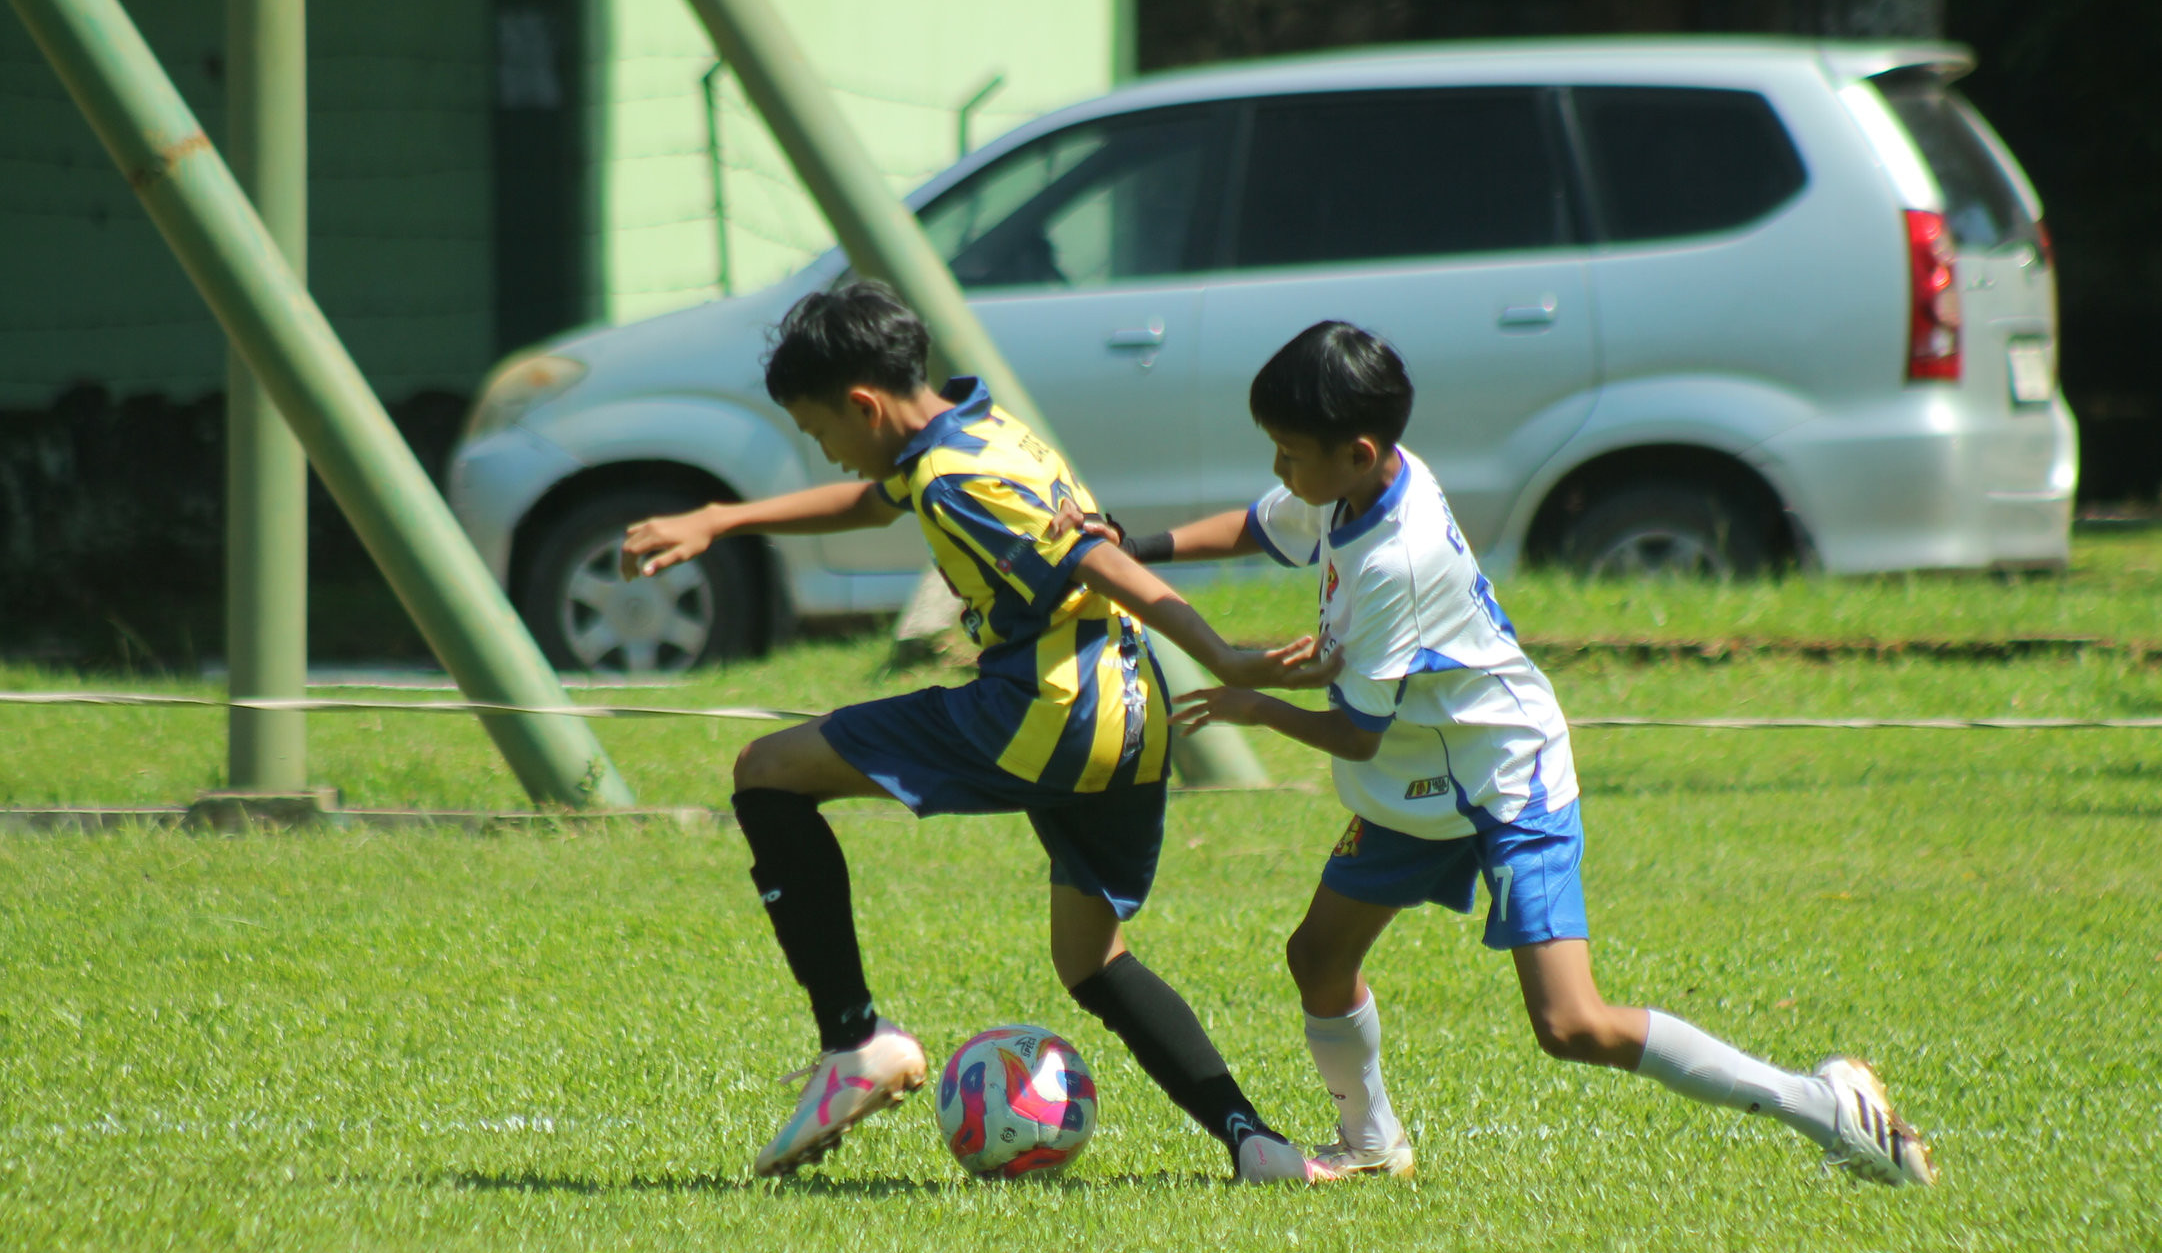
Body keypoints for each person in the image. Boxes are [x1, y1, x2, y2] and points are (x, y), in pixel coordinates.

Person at [1101, 320, 1936, 1186]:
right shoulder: (1356, 482)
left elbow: (1356, 731)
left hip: (1506, 777)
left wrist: (1257, 707)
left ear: (1356, 451)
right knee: (1318, 956)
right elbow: (1261, 526)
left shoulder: (1400, 559)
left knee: (1570, 1022)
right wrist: (1141, 547)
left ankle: (1823, 1104)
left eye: (1288, 451)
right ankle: (1373, 1144)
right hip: (1425, 778)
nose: (1278, 469)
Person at [620, 281, 1339, 1183]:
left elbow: (1095, 556)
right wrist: (723, 518)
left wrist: (1224, 655)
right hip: (1129, 715)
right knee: (1090, 960)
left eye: (821, 435)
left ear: (862, 404)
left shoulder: (954, 477)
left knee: (766, 770)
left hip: (1045, 711)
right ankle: (1256, 1144)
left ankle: (854, 1039)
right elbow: (879, 499)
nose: (831, 455)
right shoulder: (977, 428)